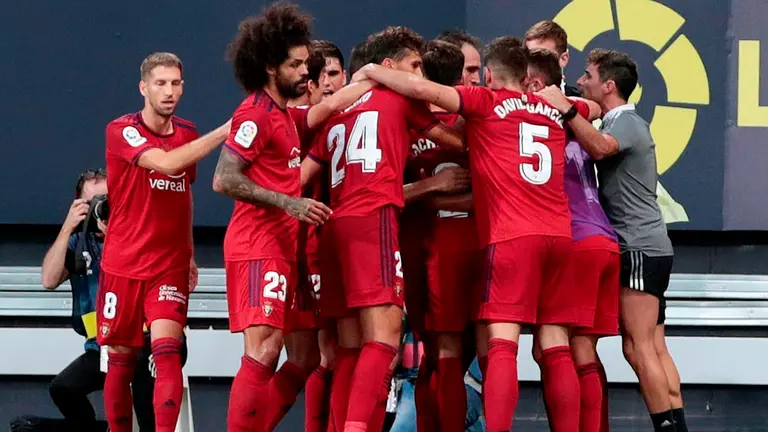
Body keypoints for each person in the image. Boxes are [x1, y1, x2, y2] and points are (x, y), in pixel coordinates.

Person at [353, 36, 599, 431]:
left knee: (499, 345)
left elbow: (420, 89)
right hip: (559, 236)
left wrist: (369, 70)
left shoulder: (485, 102)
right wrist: (565, 103)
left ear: (487, 76)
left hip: (509, 238)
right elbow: (597, 107)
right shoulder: (554, 108)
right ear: (528, 77)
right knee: (556, 347)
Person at [211, 5, 375, 431]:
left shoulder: (284, 113)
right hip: (257, 245)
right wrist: (289, 203)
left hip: (285, 250)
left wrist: (374, 76)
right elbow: (224, 179)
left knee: (299, 356)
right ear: (270, 67)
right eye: (296, 64)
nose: (306, 72)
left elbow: (328, 105)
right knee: (263, 351)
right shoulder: (254, 113)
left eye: (306, 63)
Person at [301, 26, 464, 432]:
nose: (420, 76)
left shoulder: (337, 111)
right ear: (389, 66)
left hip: (334, 225)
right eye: (415, 65)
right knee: (385, 338)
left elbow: (299, 177)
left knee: (348, 347)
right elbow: (457, 143)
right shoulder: (400, 99)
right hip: (374, 222)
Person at [536, 48, 687, 432]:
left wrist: (566, 109)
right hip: (650, 246)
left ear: (609, 86)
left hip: (637, 247)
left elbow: (601, 148)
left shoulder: (627, 123)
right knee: (654, 346)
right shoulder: (621, 122)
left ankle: (667, 427)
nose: (580, 81)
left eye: (587, 76)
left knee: (637, 347)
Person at [98, 52, 230, 432]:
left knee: (167, 352)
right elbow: (168, 164)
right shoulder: (122, 130)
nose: (169, 91)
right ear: (143, 88)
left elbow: (183, 194)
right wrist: (225, 131)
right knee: (121, 360)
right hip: (123, 261)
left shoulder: (187, 133)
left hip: (168, 263)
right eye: (160, 83)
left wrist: (189, 254)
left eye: (175, 83)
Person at [527, 48, 616, 432]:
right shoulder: (576, 119)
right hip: (604, 239)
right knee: (583, 351)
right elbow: (593, 108)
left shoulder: (528, 123)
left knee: (553, 345)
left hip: (574, 239)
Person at [400, 39, 477, 432]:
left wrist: (428, 196)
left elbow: (380, 191)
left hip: (428, 247)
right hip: (460, 246)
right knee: (449, 354)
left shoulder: (405, 120)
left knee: (439, 353)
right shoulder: (475, 120)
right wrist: (437, 191)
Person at [525, 20, 580, 96]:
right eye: (529, 57)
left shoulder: (580, 100)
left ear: (564, 59)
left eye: (543, 58)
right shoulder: (513, 99)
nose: (534, 64)